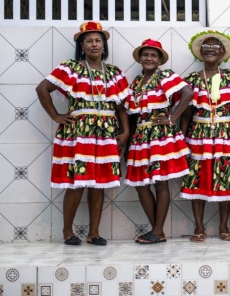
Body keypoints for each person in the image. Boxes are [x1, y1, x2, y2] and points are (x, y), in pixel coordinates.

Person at [36, 21, 129, 245]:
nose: (94, 44)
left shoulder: (114, 72)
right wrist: (56, 116)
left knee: (99, 183)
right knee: (76, 182)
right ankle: (68, 231)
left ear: (104, 45)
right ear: (82, 45)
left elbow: (120, 107)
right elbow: (42, 88)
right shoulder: (71, 68)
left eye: (98, 40)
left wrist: (125, 132)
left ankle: (93, 232)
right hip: (77, 132)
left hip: (106, 132)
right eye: (89, 41)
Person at [179, 30, 230, 242]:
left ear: (223, 53)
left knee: (227, 178)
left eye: (215, 47)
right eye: (206, 47)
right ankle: (198, 227)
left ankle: (223, 226)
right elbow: (186, 113)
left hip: (226, 135)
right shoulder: (191, 80)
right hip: (198, 135)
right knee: (196, 179)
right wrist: (183, 142)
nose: (210, 50)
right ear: (200, 53)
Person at [124, 39, 193, 244]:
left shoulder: (165, 75)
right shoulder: (136, 82)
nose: (149, 58)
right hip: (140, 136)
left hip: (160, 136)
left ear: (160, 59)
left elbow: (187, 93)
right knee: (141, 185)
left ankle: (157, 230)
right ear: (140, 58)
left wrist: (172, 117)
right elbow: (132, 113)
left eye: (154, 55)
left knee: (161, 183)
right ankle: (157, 230)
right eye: (145, 55)